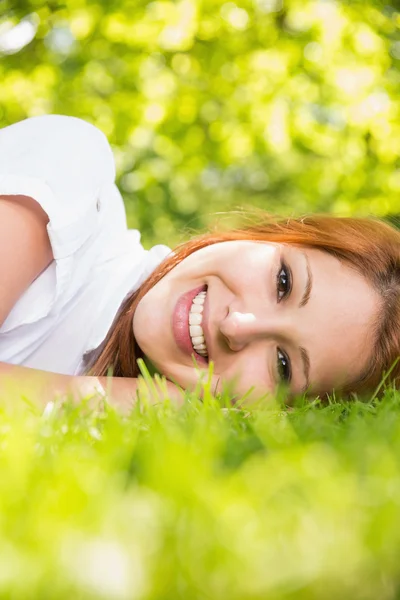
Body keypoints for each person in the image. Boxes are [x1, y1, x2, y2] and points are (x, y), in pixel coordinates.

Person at [0, 115, 399, 410]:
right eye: (283, 282)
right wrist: (102, 400)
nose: (235, 326)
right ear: (268, 234)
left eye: (282, 364)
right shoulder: (70, 177)